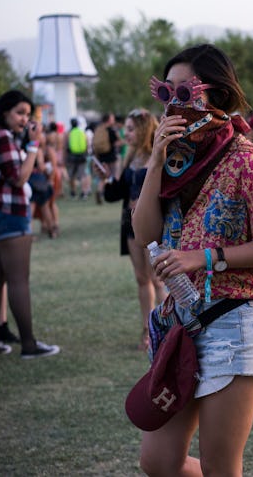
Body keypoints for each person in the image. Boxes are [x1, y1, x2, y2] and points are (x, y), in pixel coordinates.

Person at [131, 44, 253, 475]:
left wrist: (202, 258)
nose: (173, 105)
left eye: (185, 93)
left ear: (216, 94)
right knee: (158, 461)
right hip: (181, 324)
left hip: (234, 324)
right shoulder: (174, 161)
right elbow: (144, 234)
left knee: (222, 466)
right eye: (166, 94)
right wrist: (154, 164)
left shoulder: (244, 158)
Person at [0, 90, 60, 357]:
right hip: (11, 214)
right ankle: (29, 344)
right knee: (18, 281)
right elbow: (19, 179)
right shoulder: (2, 137)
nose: (24, 119)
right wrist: (33, 146)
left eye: (28, 115)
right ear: (5, 112)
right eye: (20, 113)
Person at [96, 109, 167, 351]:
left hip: (154, 225)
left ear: (144, 129)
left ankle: (168, 328)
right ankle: (147, 329)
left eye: (130, 128)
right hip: (129, 224)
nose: (125, 134)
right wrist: (106, 179)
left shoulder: (160, 156)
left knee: (158, 279)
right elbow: (115, 195)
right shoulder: (130, 157)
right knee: (141, 278)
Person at [65, 118, 88, 199]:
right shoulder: (82, 132)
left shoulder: (68, 133)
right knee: (82, 175)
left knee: (72, 175)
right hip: (82, 156)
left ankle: (73, 192)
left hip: (71, 157)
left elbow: (66, 146)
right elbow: (86, 143)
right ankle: (84, 192)